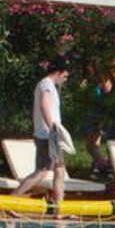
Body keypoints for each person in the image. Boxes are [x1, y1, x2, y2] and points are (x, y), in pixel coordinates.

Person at [13, 58, 71, 205]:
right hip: (48, 135)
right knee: (43, 171)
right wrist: (53, 128)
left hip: (46, 134)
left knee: (58, 169)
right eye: (65, 76)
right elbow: (44, 105)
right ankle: (11, 199)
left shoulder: (46, 84)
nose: (65, 79)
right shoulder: (47, 84)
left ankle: (59, 207)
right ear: (58, 73)